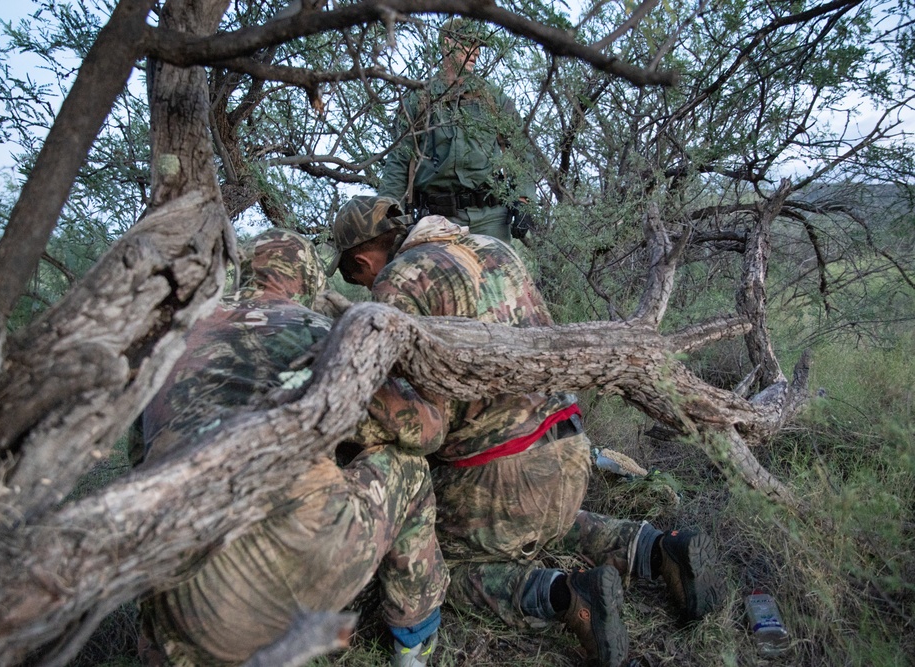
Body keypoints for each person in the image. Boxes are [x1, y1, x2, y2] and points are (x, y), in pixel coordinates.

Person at [329, 196, 725, 667]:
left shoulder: (400, 281)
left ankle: (565, 597)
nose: (368, 285)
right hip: (570, 449)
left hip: (502, 475)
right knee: (536, 525)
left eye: (361, 279)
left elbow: (424, 428)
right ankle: (661, 550)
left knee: (437, 563)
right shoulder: (494, 248)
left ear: (362, 260)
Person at [137, 229, 449, 667]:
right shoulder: (318, 330)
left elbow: (139, 454)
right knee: (408, 466)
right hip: (287, 568)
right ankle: (413, 640)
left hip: (174, 572)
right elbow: (421, 431)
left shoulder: (174, 338)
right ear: (307, 281)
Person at [377, 17, 537, 244]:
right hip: (436, 221)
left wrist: (524, 200)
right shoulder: (418, 101)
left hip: (489, 219)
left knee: (496, 280)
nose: (476, 52)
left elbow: (521, 151)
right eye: (468, 43)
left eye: (479, 45)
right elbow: (398, 164)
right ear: (447, 43)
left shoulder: (494, 99)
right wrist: (389, 218)